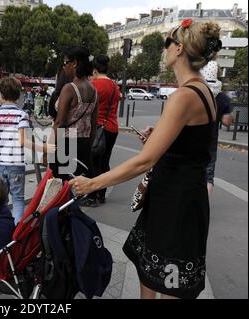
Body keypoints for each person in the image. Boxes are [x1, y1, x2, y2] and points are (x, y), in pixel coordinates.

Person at [70, 20, 222, 299]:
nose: (165, 49)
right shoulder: (202, 90)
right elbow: (193, 142)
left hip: (174, 204)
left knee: (165, 281)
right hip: (182, 199)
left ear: (178, 48)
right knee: (151, 273)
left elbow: (144, 161)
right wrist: (160, 134)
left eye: (167, 43)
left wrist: (92, 183)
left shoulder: (184, 95)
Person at [0, 77, 54, 224]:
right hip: (16, 165)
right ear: (19, 96)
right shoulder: (22, 115)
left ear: (0, 95)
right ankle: (16, 234)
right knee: (18, 199)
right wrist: (44, 148)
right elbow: (24, 141)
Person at [50, 45, 99, 181]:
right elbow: (94, 125)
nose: (64, 67)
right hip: (84, 143)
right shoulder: (94, 90)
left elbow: (59, 123)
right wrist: (87, 147)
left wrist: (47, 149)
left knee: (61, 188)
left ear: (75, 63)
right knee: (77, 188)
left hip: (65, 142)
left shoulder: (69, 88)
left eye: (66, 62)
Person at [84, 55, 121, 206]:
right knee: (105, 162)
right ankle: (101, 195)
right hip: (112, 127)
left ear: (94, 70)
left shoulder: (94, 85)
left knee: (93, 163)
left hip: (97, 128)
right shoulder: (114, 86)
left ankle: (92, 196)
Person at [200, 61, 234, 194]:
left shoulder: (197, 91)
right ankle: (203, 206)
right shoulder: (223, 98)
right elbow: (227, 122)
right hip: (210, 140)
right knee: (208, 176)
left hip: (191, 138)